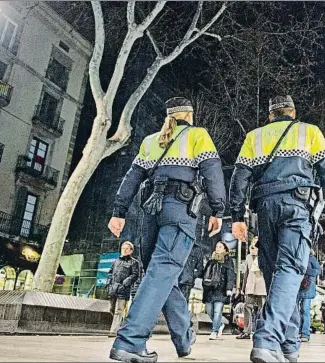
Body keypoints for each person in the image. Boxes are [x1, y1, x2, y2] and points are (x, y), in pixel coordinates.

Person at [108, 97, 226, 363]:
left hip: (149, 211)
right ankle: (130, 342)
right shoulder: (197, 135)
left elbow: (132, 176)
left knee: (161, 275)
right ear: (189, 115)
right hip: (179, 210)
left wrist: (119, 211)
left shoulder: (151, 141)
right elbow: (212, 171)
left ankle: (184, 338)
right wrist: (219, 210)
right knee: (161, 272)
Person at [230, 95, 325, 363]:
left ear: (270, 115)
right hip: (297, 206)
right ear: (292, 112)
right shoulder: (309, 132)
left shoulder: (254, 137)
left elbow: (239, 176)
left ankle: (289, 346)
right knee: (290, 270)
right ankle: (266, 342)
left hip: (264, 209)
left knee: (277, 277)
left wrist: (237, 216)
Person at [203, 241, 236, 340]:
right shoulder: (211, 260)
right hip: (210, 290)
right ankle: (220, 324)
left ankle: (214, 331)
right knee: (209, 311)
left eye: (220, 247)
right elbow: (205, 274)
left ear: (225, 249)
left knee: (217, 311)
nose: (218, 248)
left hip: (221, 290)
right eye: (217, 246)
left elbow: (230, 275)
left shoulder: (228, 261)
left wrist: (229, 288)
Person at [106, 241, 141, 337]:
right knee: (112, 309)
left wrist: (125, 283)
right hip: (113, 289)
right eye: (123, 248)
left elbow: (135, 275)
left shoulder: (134, 262)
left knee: (119, 310)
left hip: (123, 290)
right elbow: (110, 273)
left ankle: (113, 331)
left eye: (126, 249)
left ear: (131, 251)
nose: (124, 250)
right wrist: (108, 283)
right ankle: (122, 327)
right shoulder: (116, 261)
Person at [237, 239, 267, 340]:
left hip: (262, 286)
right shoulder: (249, 257)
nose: (253, 246)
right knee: (247, 307)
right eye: (252, 244)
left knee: (262, 308)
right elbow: (246, 273)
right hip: (250, 285)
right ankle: (246, 331)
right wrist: (243, 287)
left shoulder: (265, 255)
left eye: (255, 244)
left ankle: (263, 330)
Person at [298, 251, 321, 343]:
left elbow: (317, 271)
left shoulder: (312, 258)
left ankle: (305, 333)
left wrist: (305, 270)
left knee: (305, 310)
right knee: (295, 310)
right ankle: (296, 331)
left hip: (307, 287)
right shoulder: (298, 256)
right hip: (297, 287)